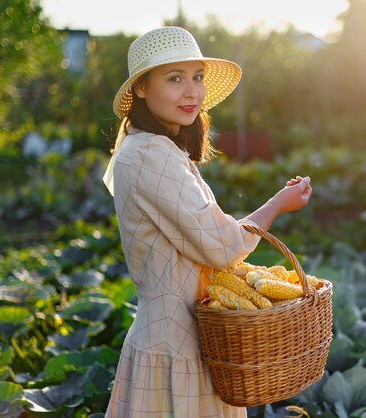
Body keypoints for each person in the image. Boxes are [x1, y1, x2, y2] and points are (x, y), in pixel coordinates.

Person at [101, 26, 312, 417]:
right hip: (176, 346)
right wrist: (277, 205)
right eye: (175, 78)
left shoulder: (157, 148)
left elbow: (211, 240)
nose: (192, 91)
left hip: (195, 341)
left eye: (196, 77)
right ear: (142, 88)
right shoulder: (149, 154)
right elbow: (221, 246)